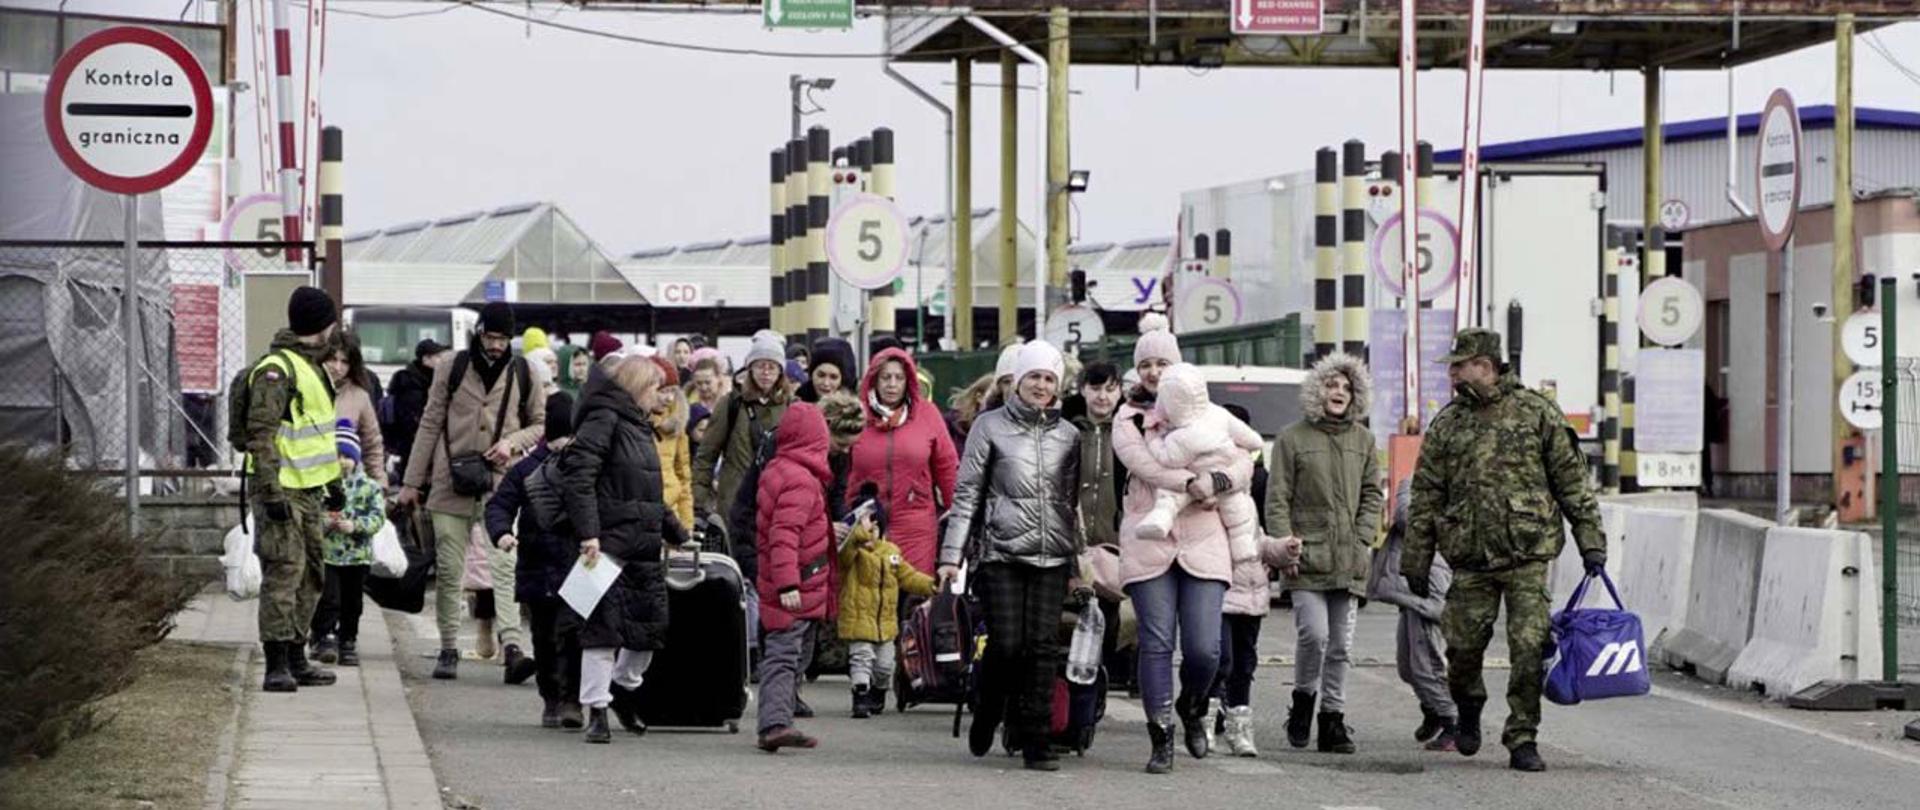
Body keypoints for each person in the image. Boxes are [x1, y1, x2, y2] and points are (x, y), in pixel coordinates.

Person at [1401, 328, 1605, 773]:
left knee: (1530, 646)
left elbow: (1571, 483)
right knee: (1461, 649)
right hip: (1470, 557)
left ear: (1486, 367)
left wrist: (1590, 540)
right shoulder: (1449, 424)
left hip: (1527, 553)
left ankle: (1522, 736)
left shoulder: (1536, 413)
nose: (1453, 372)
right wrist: (1416, 556)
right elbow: (1426, 495)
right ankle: (1469, 706)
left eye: (1461, 364)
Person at [1112, 312, 1251, 773]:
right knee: (1154, 642)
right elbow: (1146, 466)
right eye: (1146, 363)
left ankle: (1193, 707)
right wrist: (1193, 481)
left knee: (1205, 649)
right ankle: (1161, 735)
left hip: (1203, 539)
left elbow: (1244, 461)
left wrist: (1219, 478)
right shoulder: (1128, 418)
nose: (1154, 371)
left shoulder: (1209, 411)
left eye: (1162, 362)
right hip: (1149, 536)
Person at [937, 341, 1081, 772]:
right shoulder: (989, 426)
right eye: (1033, 376)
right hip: (999, 552)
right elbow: (967, 495)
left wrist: (1076, 564)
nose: (1040, 385)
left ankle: (1035, 737)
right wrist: (951, 554)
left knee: (1041, 648)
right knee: (1007, 644)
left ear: (1058, 386)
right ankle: (989, 707)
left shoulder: (1069, 435)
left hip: (1051, 556)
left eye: (1049, 378)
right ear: (1017, 381)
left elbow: (1069, 504)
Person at [398, 301, 546, 683]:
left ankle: (512, 646)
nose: (496, 345)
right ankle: (448, 646)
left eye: (502, 338)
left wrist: (511, 443)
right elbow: (430, 423)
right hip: (451, 481)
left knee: (504, 564)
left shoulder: (523, 371)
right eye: (490, 336)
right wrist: (412, 483)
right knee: (449, 568)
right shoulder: (452, 366)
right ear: (479, 333)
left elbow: (539, 424)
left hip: (500, 482)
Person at [558, 357, 680, 744]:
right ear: (637, 388)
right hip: (606, 546)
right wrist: (588, 533)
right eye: (654, 389)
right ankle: (597, 708)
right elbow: (580, 477)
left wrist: (676, 531)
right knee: (601, 634)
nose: (660, 397)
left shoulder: (640, 427)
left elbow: (648, 493)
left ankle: (619, 689)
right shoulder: (606, 420)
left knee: (648, 633)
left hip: (642, 545)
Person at [1268, 352, 1384, 754]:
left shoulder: (1365, 440)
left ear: (1357, 395)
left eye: (1346, 387)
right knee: (1314, 635)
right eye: (1331, 385)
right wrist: (1284, 544)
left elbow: (1373, 494)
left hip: (1349, 558)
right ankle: (1303, 701)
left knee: (1341, 646)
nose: (1339, 392)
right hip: (1306, 556)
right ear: (1318, 390)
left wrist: (1363, 538)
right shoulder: (1291, 438)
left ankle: (1332, 719)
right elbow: (1278, 496)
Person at [245, 286, 345, 692]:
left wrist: (333, 483)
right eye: (332, 323)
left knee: (311, 575)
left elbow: (318, 436)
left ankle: (297, 654)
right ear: (321, 326)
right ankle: (276, 663)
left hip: (309, 491)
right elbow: (261, 434)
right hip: (281, 491)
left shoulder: (313, 368)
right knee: (283, 574)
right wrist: (271, 494)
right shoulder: (277, 369)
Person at [487, 391, 585, 731]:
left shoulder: (585, 466)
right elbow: (499, 505)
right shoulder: (526, 469)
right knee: (544, 637)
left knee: (573, 634)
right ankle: (551, 698)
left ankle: (572, 699)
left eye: (569, 438)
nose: (563, 446)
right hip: (538, 565)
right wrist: (501, 533)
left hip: (576, 564)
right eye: (558, 439)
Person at [753, 402, 838, 752]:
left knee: (790, 653)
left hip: (787, 580)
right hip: (796, 584)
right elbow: (784, 534)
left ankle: (779, 718)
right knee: (784, 654)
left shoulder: (778, 470)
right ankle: (775, 724)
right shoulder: (802, 480)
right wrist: (789, 583)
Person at [845, 348, 958, 576]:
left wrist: (956, 514)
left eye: (899, 378)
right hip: (863, 524)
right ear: (873, 380)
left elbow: (947, 468)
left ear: (909, 381)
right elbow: (837, 467)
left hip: (916, 526)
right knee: (865, 601)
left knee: (912, 598)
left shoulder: (927, 414)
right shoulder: (855, 415)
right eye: (885, 377)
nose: (892, 384)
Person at [1370, 483, 1458, 752]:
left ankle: (1453, 720)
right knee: (1407, 667)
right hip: (1409, 585)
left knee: (1426, 665)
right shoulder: (1417, 480)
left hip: (1431, 584)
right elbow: (1406, 516)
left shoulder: (1462, 484)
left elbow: (1408, 518)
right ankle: (1434, 709)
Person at [836, 487, 936, 718]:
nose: (871, 534)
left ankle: (878, 692)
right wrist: (858, 534)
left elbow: (908, 576)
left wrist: (932, 585)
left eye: (875, 528)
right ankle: (860, 696)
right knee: (861, 659)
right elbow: (845, 555)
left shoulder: (891, 552)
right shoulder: (852, 554)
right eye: (866, 529)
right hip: (859, 621)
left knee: (884, 666)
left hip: (885, 623)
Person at [309, 419, 386, 669]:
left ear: (356, 458)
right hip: (329, 554)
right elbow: (312, 515)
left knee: (353, 601)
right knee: (329, 598)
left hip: (357, 555)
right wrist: (326, 524)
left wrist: (356, 526)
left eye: (347, 456)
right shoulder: (321, 486)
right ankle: (324, 636)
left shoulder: (368, 487)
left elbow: (377, 517)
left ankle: (348, 639)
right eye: (337, 455)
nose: (342, 461)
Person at [693, 332, 793, 522]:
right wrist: (700, 502)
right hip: (734, 503)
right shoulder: (731, 404)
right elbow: (706, 455)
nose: (766, 372)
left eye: (772, 367)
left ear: (781, 371)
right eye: (760, 365)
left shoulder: (792, 406)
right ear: (750, 368)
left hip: (778, 502)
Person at [320, 333, 387, 485]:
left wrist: (379, 484)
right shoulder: (306, 388)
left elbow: (372, 444)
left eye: (344, 362)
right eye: (333, 359)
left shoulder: (359, 396)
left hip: (346, 483)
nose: (338, 368)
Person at [384, 338, 450, 468]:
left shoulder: (429, 379)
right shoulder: (411, 384)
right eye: (438, 357)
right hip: (414, 447)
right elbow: (412, 420)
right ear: (425, 359)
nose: (442, 360)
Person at [647, 357, 695, 531]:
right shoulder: (633, 424)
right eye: (662, 391)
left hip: (671, 517)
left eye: (672, 391)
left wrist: (687, 525)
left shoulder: (677, 425)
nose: (668, 398)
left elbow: (683, 477)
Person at [797, 337, 855, 403]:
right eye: (821, 375)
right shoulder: (795, 405)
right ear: (812, 375)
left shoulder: (856, 410)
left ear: (843, 380)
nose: (826, 383)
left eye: (833, 377)